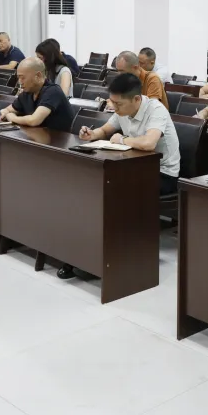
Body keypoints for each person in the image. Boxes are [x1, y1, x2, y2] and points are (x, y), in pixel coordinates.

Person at [72, 73, 182, 279]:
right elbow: (106, 130)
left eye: (118, 104)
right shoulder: (122, 108)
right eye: (112, 102)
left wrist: (122, 140)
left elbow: (148, 143)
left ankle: (114, 258)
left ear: (136, 99)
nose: (114, 107)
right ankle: (84, 254)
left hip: (162, 174)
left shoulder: (156, 110)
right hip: (133, 168)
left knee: (112, 191)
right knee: (91, 185)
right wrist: (91, 134)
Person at [0, 58, 75, 131]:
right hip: (38, 138)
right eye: (18, 78)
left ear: (38, 76)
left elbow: (34, 120)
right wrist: (1, 113)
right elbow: (9, 110)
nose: (20, 82)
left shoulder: (53, 91)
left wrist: (13, 118)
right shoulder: (27, 92)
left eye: (23, 78)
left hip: (58, 140)